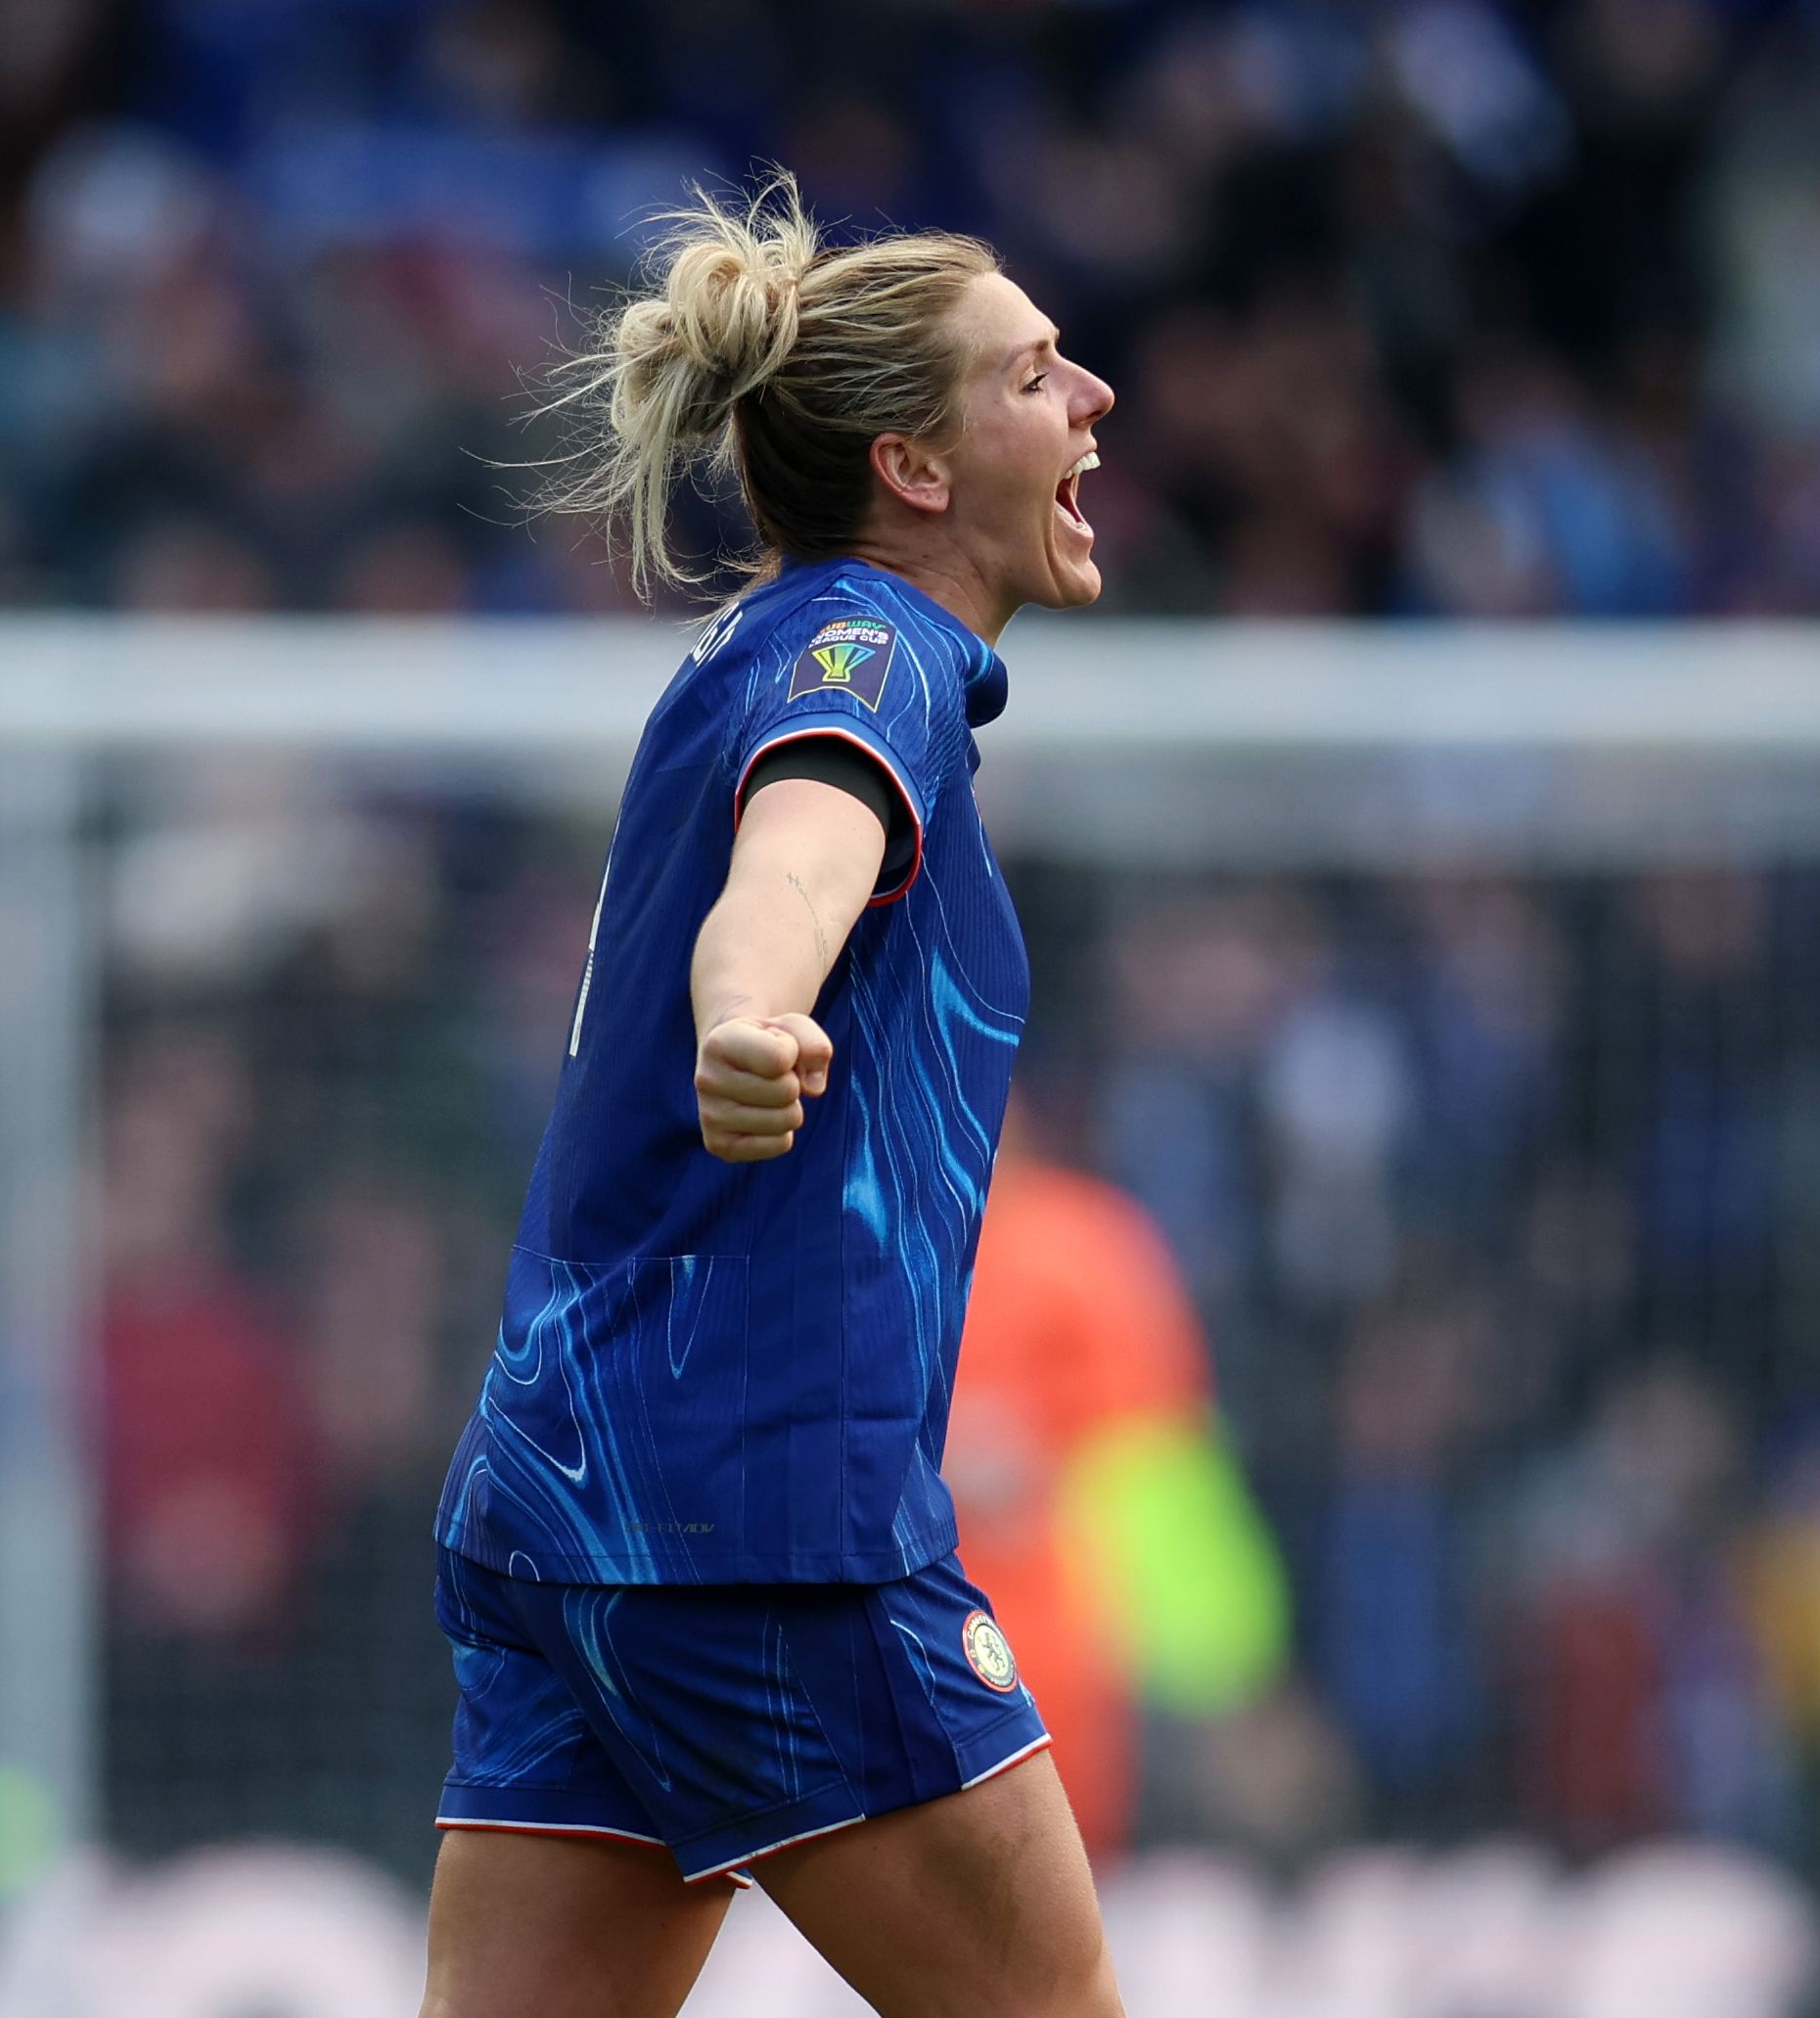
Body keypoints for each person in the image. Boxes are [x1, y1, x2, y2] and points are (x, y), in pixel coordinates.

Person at [422, 171, 1121, 2018]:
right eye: (1033, 374)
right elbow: (792, 871)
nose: (1092, 397)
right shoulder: (870, 649)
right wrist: (750, 1012)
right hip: (761, 1522)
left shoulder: (759, 648)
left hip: (564, 1495)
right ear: (912, 467)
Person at [948, 1115, 1289, 1855]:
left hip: (1068, 1655)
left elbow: (1151, 1453)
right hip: (984, 1658)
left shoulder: (1074, 1247)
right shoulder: (1077, 1241)